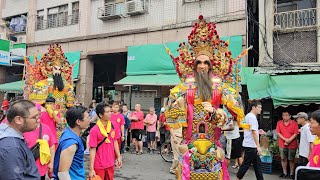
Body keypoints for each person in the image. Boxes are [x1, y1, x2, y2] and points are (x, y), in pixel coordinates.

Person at [0, 100, 40, 179]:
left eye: (39, 116)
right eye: (35, 117)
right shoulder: (12, 147)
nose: (38, 120)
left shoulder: (11, 139)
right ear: (18, 120)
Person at [53, 105, 90, 180]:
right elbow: (63, 173)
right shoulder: (71, 143)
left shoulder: (69, 133)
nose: (89, 120)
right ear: (78, 122)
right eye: (87, 117)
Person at [89, 102, 122, 180]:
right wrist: (91, 168)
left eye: (110, 111)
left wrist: (118, 156)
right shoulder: (94, 130)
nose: (110, 113)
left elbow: (115, 142)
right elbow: (92, 149)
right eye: (107, 112)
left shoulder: (113, 125)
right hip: (99, 165)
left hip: (110, 163)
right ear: (100, 115)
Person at [24, 103, 56, 180]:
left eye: (38, 113)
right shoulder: (23, 128)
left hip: (41, 168)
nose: (37, 116)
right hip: (25, 168)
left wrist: (51, 163)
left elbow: (52, 146)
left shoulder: (46, 128)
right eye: (34, 115)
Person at [236, 101, 264, 180]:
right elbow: (253, 132)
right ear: (253, 107)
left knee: (257, 165)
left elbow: (250, 130)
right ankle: (238, 178)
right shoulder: (251, 117)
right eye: (259, 107)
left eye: (261, 108)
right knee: (246, 164)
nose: (260, 109)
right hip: (251, 145)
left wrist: (258, 131)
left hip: (250, 144)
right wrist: (258, 146)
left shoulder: (248, 116)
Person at [276, 111, 299, 179]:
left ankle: (291, 173)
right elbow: (278, 133)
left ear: (290, 116)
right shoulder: (279, 123)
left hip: (292, 144)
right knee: (283, 159)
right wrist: (285, 139)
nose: (284, 117)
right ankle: (284, 172)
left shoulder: (294, 123)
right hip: (282, 144)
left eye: (286, 115)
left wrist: (289, 140)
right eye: (283, 115)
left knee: (291, 159)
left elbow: (295, 133)